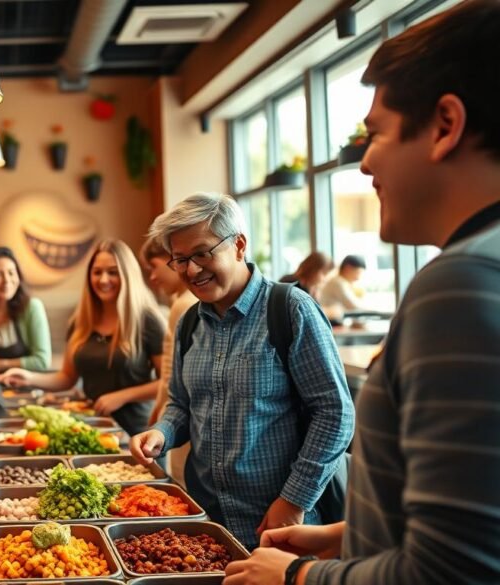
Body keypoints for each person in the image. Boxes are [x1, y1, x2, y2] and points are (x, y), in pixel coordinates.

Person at [224, 2, 500, 583]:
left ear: (446, 126)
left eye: (375, 134)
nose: (366, 161)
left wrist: (296, 576)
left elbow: (452, 571)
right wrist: (348, 535)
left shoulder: (461, 285)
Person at [128, 193, 354, 551]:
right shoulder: (190, 323)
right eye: (181, 259)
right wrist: (161, 432)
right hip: (207, 522)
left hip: (280, 523)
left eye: (202, 254)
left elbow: (336, 414)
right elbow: (181, 405)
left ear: (238, 245)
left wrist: (294, 500)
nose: (191, 270)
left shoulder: (291, 310)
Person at [0, 239, 166, 436]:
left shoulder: (148, 320)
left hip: (138, 432)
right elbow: (67, 378)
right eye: (97, 272)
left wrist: (122, 396)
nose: (103, 280)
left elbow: (168, 382)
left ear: (128, 275)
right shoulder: (80, 321)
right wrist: (29, 378)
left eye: (112, 272)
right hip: (93, 427)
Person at [139, 234, 198, 484]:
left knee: (182, 479)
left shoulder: (183, 305)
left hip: (179, 420)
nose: (152, 277)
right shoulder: (184, 302)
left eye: (154, 267)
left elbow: (171, 376)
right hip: (183, 417)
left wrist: (158, 416)